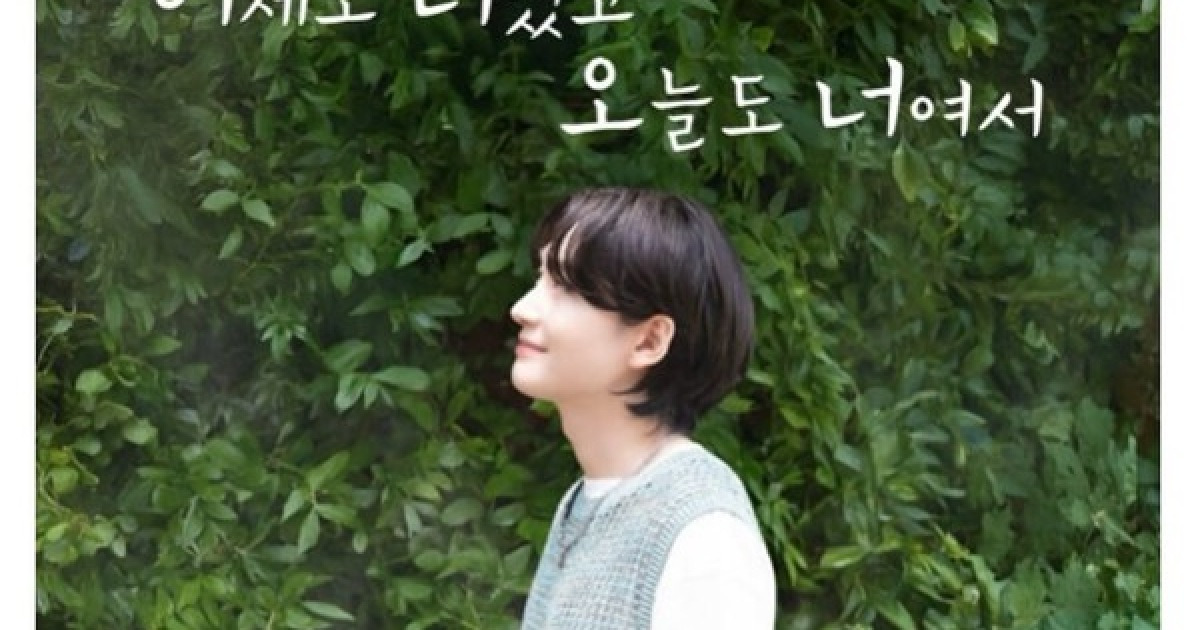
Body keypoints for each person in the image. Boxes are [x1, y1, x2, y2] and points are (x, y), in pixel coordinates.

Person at [509, 187, 776, 629]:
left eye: (565, 288)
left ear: (649, 341)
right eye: (541, 278)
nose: (522, 308)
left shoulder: (705, 537)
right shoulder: (585, 502)